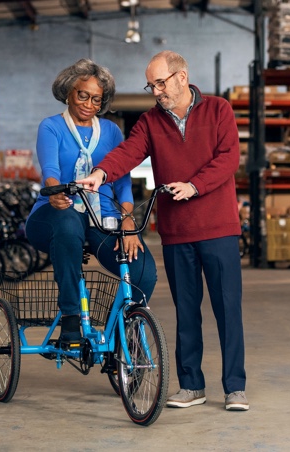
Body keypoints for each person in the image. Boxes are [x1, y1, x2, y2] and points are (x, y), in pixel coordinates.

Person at [77, 51, 248, 411]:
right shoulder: (151, 122)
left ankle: (235, 387)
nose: (155, 91)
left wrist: (195, 186)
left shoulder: (219, 110)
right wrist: (101, 174)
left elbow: (229, 157)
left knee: (227, 308)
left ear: (182, 77)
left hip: (218, 228)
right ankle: (191, 386)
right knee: (186, 310)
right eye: (150, 85)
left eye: (160, 83)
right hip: (177, 231)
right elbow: (128, 153)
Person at [25, 58, 157, 348]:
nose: (88, 104)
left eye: (96, 99)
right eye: (82, 95)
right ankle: (71, 318)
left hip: (102, 218)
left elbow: (121, 180)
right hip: (54, 213)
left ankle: (121, 332)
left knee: (144, 272)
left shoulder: (111, 132)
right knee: (70, 220)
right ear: (68, 92)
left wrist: (128, 220)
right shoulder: (51, 127)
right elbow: (50, 171)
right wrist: (55, 192)